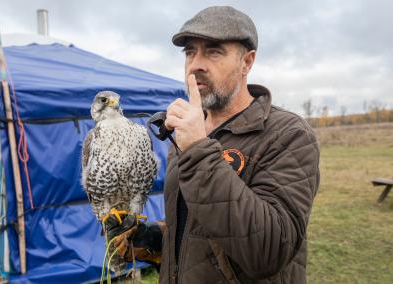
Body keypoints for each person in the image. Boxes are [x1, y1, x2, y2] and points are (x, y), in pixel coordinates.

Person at [114, 6, 320, 283]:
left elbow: (270, 250)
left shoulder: (288, 134)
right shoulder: (184, 133)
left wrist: (198, 148)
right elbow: (198, 233)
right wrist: (155, 239)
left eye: (213, 51)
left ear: (247, 62)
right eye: (190, 52)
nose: (195, 64)